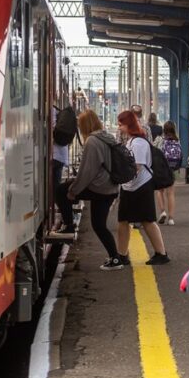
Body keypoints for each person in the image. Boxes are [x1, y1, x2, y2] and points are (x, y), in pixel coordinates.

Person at [56, 110, 123, 269]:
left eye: (80, 125)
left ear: (85, 125)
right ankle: (115, 258)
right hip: (109, 187)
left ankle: (69, 226)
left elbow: (86, 172)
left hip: (99, 188)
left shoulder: (92, 142)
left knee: (61, 191)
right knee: (99, 225)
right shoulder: (107, 137)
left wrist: (73, 191)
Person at [116, 110, 169, 265]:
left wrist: (120, 177)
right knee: (124, 220)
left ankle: (161, 254)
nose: (119, 127)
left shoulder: (138, 143)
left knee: (147, 220)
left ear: (128, 125)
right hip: (131, 186)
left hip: (141, 186)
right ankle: (122, 254)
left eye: (121, 124)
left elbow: (137, 167)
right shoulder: (133, 141)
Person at [154, 120, 182, 226]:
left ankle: (162, 212)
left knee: (159, 191)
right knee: (170, 193)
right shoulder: (177, 140)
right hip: (172, 169)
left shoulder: (159, 139)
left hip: (161, 169)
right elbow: (180, 155)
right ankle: (171, 219)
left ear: (164, 129)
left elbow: (153, 151)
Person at [52, 105, 71, 232]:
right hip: (59, 156)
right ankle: (65, 219)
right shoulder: (56, 110)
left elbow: (52, 130)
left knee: (56, 190)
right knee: (56, 188)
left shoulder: (51, 110)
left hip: (55, 155)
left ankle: (66, 221)